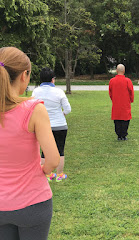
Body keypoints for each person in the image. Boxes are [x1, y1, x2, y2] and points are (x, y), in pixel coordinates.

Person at [0, 47, 60, 239]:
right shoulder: (33, 109)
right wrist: (41, 169)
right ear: (24, 75)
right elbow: (52, 160)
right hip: (33, 203)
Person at [32, 67, 71, 182]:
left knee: (44, 151)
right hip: (60, 125)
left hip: (43, 126)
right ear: (52, 79)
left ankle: (47, 174)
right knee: (60, 150)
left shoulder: (36, 91)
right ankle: (60, 174)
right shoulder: (59, 92)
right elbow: (68, 109)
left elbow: (32, 107)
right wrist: (62, 114)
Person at [109, 64, 134, 140]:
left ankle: (119, 135)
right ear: (124, 71)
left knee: (117, 119)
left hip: (116, 103)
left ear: (116, 71)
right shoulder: (127, 81)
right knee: (125, 119)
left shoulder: (112, 81)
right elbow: (131, 92)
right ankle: (124, 134)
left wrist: (114, 99)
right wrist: (131, 100)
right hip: (125, 103)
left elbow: (110, 92)